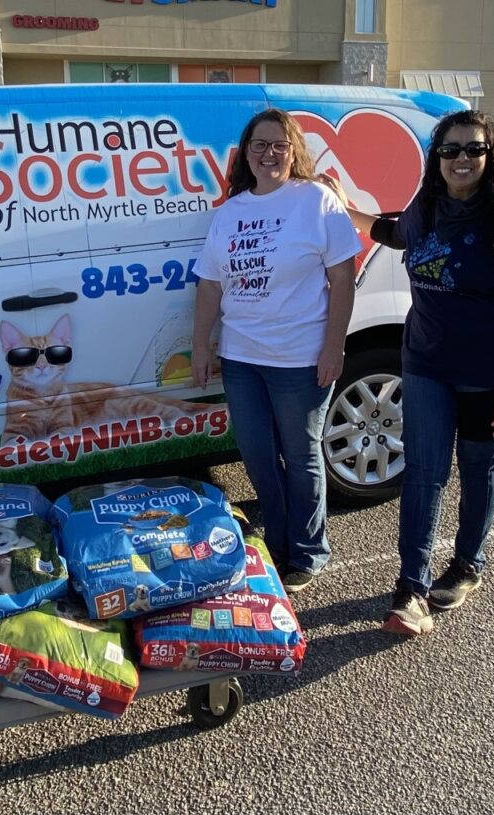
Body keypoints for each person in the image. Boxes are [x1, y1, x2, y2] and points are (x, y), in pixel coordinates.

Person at [321, 110, 494, 636]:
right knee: (424, 474)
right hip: (424, 364)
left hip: (487, 374)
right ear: (437, 158)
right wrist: (343, 203)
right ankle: (412, 587)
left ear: (491, 157)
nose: (462, 159)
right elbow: (391, 232)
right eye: (450, 150)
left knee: (476, 469)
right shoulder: (428, 206)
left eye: (473, 149)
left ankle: (468, 564)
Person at [191, 108, 361, 594]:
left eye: (279, 145)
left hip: (299, 357)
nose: (269, 154)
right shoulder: (230, 211)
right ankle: (281, 544)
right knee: (259, 456)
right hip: (243, 357)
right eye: (260, 145)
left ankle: (308, 551)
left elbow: (343, 279)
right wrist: (201, 345)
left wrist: (334, 347)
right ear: (246, 154)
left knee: (301, 454)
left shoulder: (316, 201)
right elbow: (209, 285)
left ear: (294, 152)